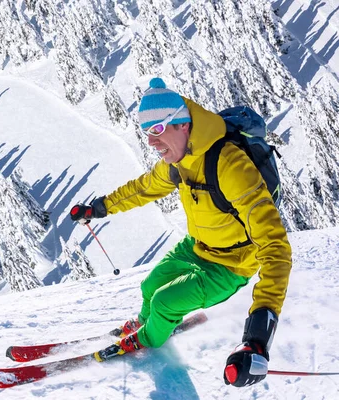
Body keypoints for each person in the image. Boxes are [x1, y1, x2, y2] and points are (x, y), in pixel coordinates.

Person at [69, 78, 292, 387]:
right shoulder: (179, 159)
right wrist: (99, 208)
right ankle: (148, 325)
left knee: (163, 302)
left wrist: (257, 337)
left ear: (183, 124)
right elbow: (144, 188)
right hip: (197, 246)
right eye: (147, 133)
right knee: (150, 287)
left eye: (158, 130)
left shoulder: (230, 164)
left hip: (231, 264)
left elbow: (276, 248)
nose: (151, 142)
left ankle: (148, 338)